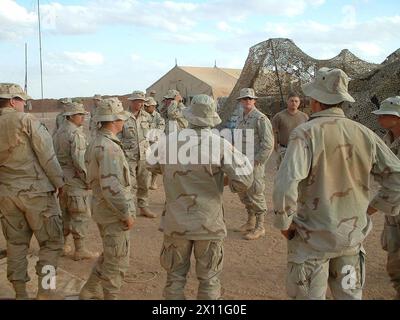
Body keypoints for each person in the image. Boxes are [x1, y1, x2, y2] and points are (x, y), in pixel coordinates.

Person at [273, 68, 400, 300]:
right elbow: (397, 177)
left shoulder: (305, 134)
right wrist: (373, 208)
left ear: (314, 102)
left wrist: (284, 222)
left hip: (311, 239)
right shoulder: (365, 134)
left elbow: (286, 183)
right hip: (351, 239)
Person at [147, 94, 253, 299]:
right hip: (208, 223)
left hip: (176, 223)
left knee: (175, 279)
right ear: (212, 118)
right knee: (209, 280)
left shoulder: (169, 142)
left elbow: (151, 164)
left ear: (189, 116)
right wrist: (221, 179)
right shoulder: (220, 144)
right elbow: (245, 180)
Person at [0, 83, 65, 300]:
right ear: (12, 100)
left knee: (16, 245)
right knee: (51, 243)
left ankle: (20, 294)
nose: (24, 104)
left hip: (7, 195)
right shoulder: (26, 120)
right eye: (22, 100)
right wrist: (59, 182)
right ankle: (46, 292)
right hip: (36, 194)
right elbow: (46, 154)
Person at [79, 97, 135, 300]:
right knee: (117, 260)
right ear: (113, 121)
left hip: (102, 208)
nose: (123, 122)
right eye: (121, 118)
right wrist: (125, 213)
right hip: (112, 213)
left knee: (111, 253)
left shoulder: (97, 142)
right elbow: (112, 187)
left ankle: (90, 289)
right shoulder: (109, 147)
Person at [53, 101, 98, 261]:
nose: (83, 118)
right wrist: (88, 180)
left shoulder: (59, 132)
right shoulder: (76, 134)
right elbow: (80, 162)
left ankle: (64, 245)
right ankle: (80, 250)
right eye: (80, 114)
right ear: (71, 116)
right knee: (80, 214)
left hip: (62, 179)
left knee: (64, 213)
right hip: (76, 180)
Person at [234, 88, 274, 240]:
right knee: (243, 192)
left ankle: (260, 226)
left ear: (254, 100)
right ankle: (250, 221)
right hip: (240, 162)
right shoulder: (239, 117)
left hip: (254, 163)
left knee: (256, 192)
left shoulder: (260, 118)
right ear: (240, 101)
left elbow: (268, 143)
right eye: (244, 99)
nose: (247, 101)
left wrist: (258, 160)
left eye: (250, 98)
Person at [372, 96, 400, 299]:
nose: (379, 119)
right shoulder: (387, 139)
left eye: (384, 115)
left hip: (395, 199)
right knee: (391, 245)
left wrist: (369, 209)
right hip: (393, 208)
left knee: (395, 263)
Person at [118, 90, 156, 218]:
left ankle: (143, 207)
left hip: (144, 155)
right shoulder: (123, 116)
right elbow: (117, 136)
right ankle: (129, 209)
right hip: (129, 156)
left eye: (143, 102)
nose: (141, 104)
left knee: (144, 183)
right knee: (129, 184)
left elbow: (151, 134)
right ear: (132, 101)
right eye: (139, 101)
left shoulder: (147, 116)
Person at [271, 92, 309, 168]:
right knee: (283, 174)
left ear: (299, 102)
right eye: (291, 101)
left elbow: (308, 134)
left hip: (299, 149)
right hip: (284, 149)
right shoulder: (279, 116)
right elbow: (273, 132)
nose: (294, 103)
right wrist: (275, 147)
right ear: (287, 101)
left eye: (296, 101)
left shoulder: (304, 117)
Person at [144, 97, 165, 190]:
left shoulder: (157, 116)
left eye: (148, 106)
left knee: (154, 162)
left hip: (154, 142)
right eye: (145, 106)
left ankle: (153, 182)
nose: (145, 108)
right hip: (144, 142)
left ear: (153, 106)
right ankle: (145, 182)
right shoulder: (143, 115)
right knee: (144, 162)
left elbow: (161, 127)